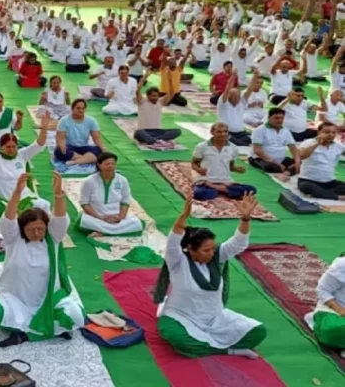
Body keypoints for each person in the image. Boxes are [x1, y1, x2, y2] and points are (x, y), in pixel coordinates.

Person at [154, 193, 267, 359]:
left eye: (213, 248)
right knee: (176, 337)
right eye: (206, 250)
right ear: (191, 250)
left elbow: (239, 243)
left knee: (258, 332)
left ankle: (209, 345)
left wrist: (245, 219)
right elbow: (173, 241)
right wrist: (184, 215)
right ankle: (229, 350)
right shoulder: (178, 262)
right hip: (181, 317)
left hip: (215, 318)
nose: (211, 253)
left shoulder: (216, 257)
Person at [0, 172, 84, 348]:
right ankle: (49, 330)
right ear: (22, 228)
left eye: (41, 229)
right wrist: (16, 194)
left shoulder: (52, 239)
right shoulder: (13, 238)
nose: (37, 233)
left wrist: (58, 195)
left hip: (48, 299)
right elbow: (7, 220)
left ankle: (24, 335)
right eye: (32, 230)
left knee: (76, 316)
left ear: (47, 227)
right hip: (16, 299)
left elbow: (61, 219)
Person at [0, 112, 51, 222]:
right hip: (2, 199)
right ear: (1, 147)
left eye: (14, 146)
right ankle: (23, 218)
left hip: (23, 196)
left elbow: (39, 144)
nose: (11, 149)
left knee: (44, 205)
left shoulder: (22, 154)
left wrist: (44, 129)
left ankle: (26, 218)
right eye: (8, 146)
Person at [77, 152, 143, 235]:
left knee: (136, 223)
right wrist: (100, 217)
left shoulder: (122, 180)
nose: (110, 166)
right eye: (107, 164)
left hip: (116, 217)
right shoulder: (89, 181)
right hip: (97, 217)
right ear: (99, 165)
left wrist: (120, 218)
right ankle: (110, 231)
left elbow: (125, 201)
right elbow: (84, 203)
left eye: (113, 164)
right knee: (84, 221)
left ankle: (102, 232)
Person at [191, 122, 257, 201]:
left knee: (252, 189)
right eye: (219, 132)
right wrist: (198, 169)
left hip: (225, 181)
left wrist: (236, 169)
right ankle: (225, 190)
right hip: (207, 181)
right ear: (212, 132)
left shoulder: (233, 148)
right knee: (199, 194)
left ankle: (220, 189)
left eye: (225, 131)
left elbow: (230, 166)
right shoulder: (202, 147)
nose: (223, 134)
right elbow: (194, 163)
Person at [249, 108, 301, 181]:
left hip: (280, 159)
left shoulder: (285, 130)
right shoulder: (260, 130)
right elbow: (257, 150)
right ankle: (285, 170)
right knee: (271, 167)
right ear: (269, 118)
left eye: (281, 118)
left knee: (300, 164)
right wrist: (275, 162)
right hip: (261, 158)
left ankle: (285, 173)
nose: (279, 120)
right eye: (276, 118)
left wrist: (297, 161)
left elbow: (293, 147)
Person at [297, 123, 345, 200]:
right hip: (309, 181)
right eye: (327, 132)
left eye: (333, 132)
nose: (330, 135)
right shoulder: (309, 142)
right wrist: (317, 143)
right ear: (319, 132)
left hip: (329, 182)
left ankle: (324, 193)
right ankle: (336, 196)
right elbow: (301, 156)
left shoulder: (338, 146)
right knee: (306, 186)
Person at [133, 69, 182, 145]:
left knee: (177, 131)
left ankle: (154, 140)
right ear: (148, 96)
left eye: (157, 96)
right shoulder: (142, 101)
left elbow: (172, 93)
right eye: (153, 96)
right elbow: (137, 91)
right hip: (144, 131)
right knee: (138, 133)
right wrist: (144, 77)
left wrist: (170, 79)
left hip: (158, 131)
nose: (155, 97)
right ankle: (158, 140)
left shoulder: (160, 102)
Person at [54, 99, 104, 165]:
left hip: (84, 147)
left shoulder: (91, 120)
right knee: (58, 151)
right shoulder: (64, 121)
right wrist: (62, 147)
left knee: (99, 150)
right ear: (72, 109)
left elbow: (96, 138)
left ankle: (74, 162)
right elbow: (61, 137)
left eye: (83, 108)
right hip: (70, 147)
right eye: (78, 108)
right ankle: (87, 159)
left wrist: (103, 149)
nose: (81, 110)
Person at [310, 256, 345, 351]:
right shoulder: (342, 265)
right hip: (334, 312)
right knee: (333, 330)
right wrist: (340, 310)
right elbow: (323, 290)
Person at [216, 73, 251, 146]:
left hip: (241, 133)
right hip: (227, 132)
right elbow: (228, 88)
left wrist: (256, 75)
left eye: (238, 96)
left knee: (251, 138)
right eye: (233, 96)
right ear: (229, 96)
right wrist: (233, 77)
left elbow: (250, 89)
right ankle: (234, 141)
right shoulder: (223, 104)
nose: (236, 98)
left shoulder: (241, 104)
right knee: (235, 142)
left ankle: (236, 141)